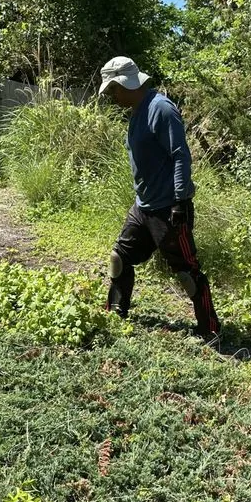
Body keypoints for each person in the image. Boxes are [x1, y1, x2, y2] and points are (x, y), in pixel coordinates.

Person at [99, 56, 221, 345]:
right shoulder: (137, 111)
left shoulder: (161, 109)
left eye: (113, 90)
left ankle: (211, 331)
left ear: (124, 84)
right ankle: (116, 313)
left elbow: (180, 155)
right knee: (119, 258)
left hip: (169, 208)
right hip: (143, 206)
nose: (112, 97)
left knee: (187, 274)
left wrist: (179, 201)